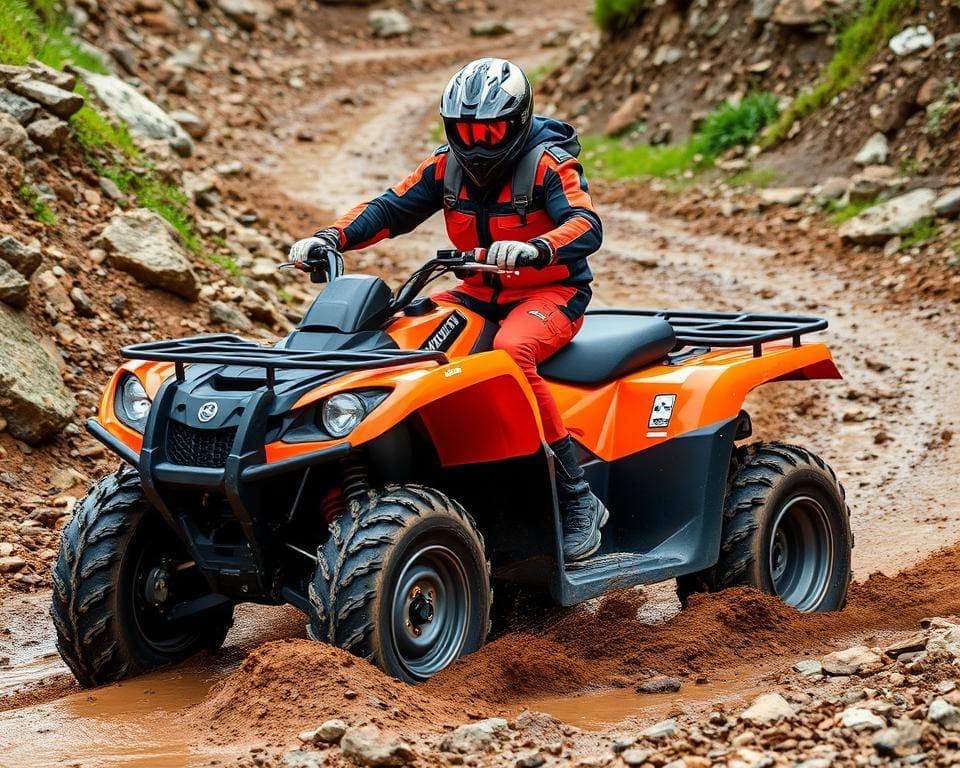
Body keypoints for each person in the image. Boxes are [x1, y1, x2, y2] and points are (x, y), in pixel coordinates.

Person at [289, 58, 607, 561]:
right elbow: (388, 208)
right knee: (392, 345)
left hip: (550, 295)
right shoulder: (444, 167)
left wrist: (538, 249)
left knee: (511, 352)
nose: (478, 143)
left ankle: (575, 495)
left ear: (519, 120)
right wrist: (332, 236)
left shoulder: (550, 165)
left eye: (492, 129)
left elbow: (587, 225)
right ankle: (356, 480)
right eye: (466, 131)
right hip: (476, 294)